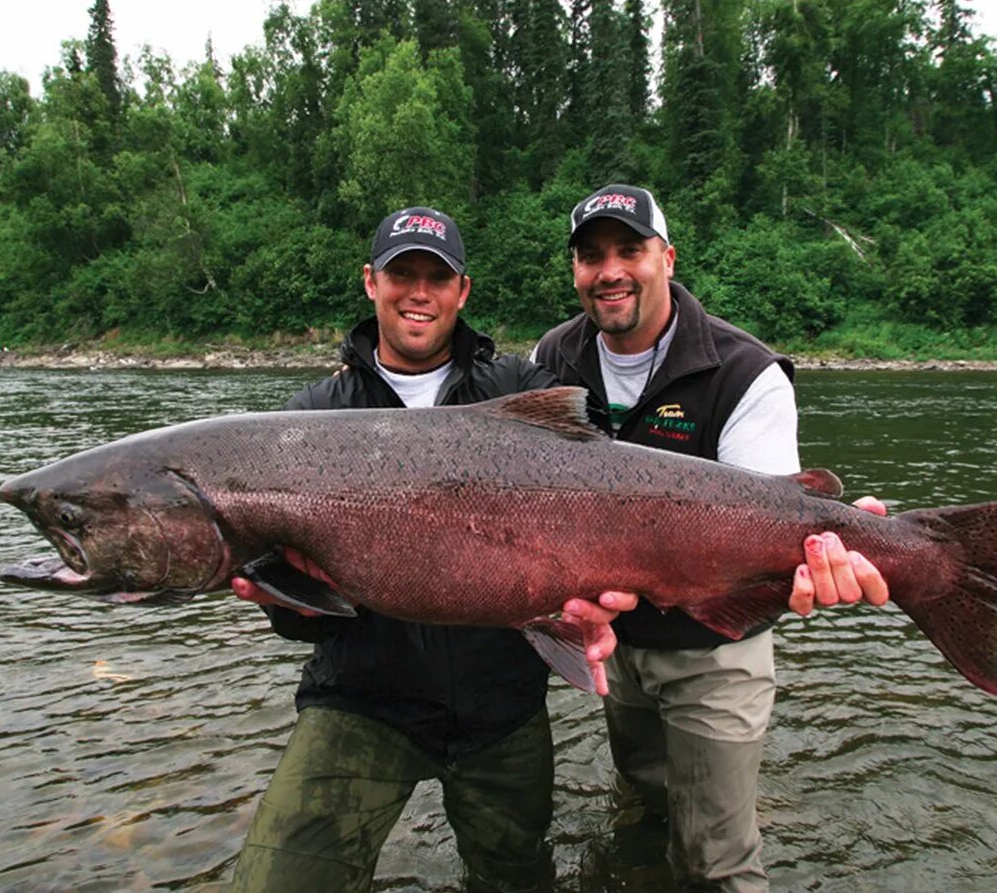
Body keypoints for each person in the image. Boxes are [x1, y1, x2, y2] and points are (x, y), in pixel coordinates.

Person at [228, 206, 627, 893]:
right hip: (361, 702)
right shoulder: (310, 419)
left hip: (500, 708)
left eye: (436, 278)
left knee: (519, 881)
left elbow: (611, 498)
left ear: (462, 291)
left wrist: (594, 594)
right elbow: (296, 616)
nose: (419, 292)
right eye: (401, 274)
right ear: (370, 283)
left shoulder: (518, 390)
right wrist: (285, 604)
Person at [533, 184, 890, 892]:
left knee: (716, 862)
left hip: (715, 646)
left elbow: (771, 525)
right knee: (647, 808)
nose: (610, 271)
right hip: (617, 643)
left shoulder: (743, 370)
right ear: (574, 271)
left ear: (667, 258)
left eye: (629, 251)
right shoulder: (553, 357)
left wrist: (829, 551)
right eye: (591, 256)